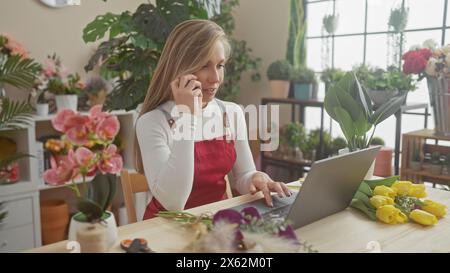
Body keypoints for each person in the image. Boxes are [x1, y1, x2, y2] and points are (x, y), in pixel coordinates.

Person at [135, 19, 290, 220]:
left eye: (220, 65)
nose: (215, 78)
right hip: (166, 228)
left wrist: (255, 177)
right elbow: (174, 203)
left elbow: (243, 176)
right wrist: (186, 115)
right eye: (204, 66)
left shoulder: (231, 113)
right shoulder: (152, 122)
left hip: (218, 222)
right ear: (180, 68)